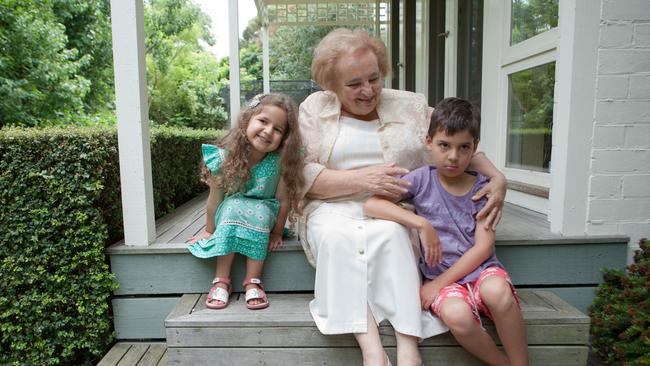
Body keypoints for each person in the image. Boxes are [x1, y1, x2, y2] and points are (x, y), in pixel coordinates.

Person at [298, 28, 508, 366]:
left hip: (396, 207)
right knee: (337, 241)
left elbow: (451, 141)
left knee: (395, 236)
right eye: (354, 84)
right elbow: (301, 172)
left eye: (374, 78)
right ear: (331, 85)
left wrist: (498, 177)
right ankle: (372, 351)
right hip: (331, 204)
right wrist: (360, 178)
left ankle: (408, 344)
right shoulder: (314, 109)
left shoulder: (408, 105)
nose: (368, 91)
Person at [364, 97, 528, 366]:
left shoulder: (483, 188)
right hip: (440, 277)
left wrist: (439, 284)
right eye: (444, 145)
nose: (453, 156)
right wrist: (421, 223)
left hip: (480, 271)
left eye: (464, 147)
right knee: (457, 316)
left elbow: (484, 247)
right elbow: (372, 204)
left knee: (497, 293)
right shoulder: (421, 179)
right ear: (429, 142)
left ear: (475, 147)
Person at [188, 93, 304, 311]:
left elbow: (282, 201)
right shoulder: (224, 158)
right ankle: (221, 280)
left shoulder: (279, 163)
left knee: (257, 211)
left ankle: (253, 280)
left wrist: (278, 232)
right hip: (230, 212)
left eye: (278, 129)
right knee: (232, 207)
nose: (268, 131)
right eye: (263, 121)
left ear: (284, 138)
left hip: (265, 211)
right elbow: (215, 201)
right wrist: (209, 231)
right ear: (247, 120)